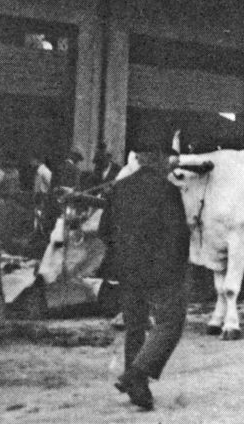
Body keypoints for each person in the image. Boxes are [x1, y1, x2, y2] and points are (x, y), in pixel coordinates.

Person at [98, 141, 190, 411]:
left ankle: (138, 389)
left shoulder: (119, 188)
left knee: (135, 327)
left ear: (137, 159)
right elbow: (179, 235)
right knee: (171, 322)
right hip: (160, 271)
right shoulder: (168, 190)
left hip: (127, 270)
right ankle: (136, 375)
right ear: (159, 158)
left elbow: (104, 231)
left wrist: (122, 253)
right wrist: (178, 267)